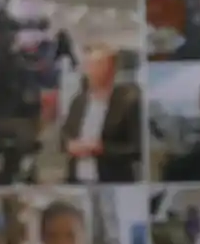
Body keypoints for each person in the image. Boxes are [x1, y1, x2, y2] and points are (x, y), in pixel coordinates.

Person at [60, 43, 142, 184]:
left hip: (112, 181)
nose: (90, 70)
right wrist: (69, 145)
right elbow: (65, 133)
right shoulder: (78, 102)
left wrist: (102, 149)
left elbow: (137, 149)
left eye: (97, 65)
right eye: (88, 65)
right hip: (77, 180)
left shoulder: (128, 103)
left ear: (111, 69)